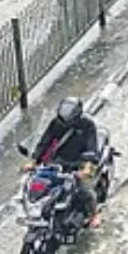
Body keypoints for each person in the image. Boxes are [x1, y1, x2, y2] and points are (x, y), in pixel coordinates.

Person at [27, 97, 103, 229]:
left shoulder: (88, 125)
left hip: (82, 162)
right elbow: (45, 142)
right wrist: (34, 161)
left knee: (84, 189)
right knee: (41, 184)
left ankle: (94, 214)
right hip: (58, 161)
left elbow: (92, 147)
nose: (64, 123)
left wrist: (87, 167)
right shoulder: (56, 124)